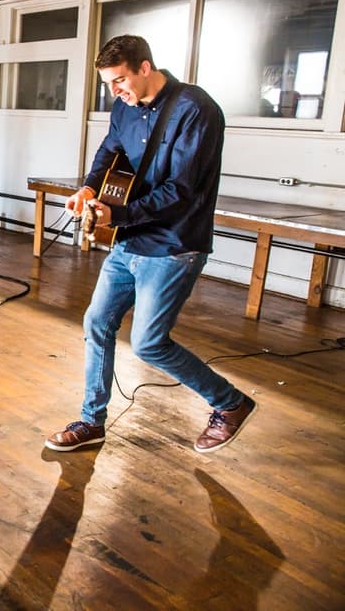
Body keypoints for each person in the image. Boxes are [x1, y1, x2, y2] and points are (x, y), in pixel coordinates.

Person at [45, 34, 255, 455]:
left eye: (120, 80)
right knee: (96, 322)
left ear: (145, 68)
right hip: (131, 240)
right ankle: (92, 421)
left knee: (149, 343)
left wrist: (115, 215)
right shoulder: (124, 107)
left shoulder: (195, 109)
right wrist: (89, 189)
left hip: (175, 243)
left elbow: (181, 190)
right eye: (108, 84)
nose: (114, 92)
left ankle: (230, 403)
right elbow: (110, 149)